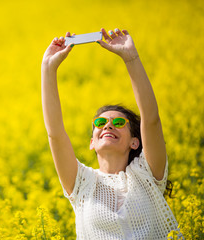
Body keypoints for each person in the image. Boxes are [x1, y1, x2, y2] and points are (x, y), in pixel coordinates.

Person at [41, 28, 183, 239]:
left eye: (118, 122)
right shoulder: (80, 182)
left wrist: (131, 58)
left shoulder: (148, 173)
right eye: (100, 122)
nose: (108, 126)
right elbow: (55, 134)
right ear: (92, 142)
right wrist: (48, 68)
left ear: (135, 142)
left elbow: (151, 120)